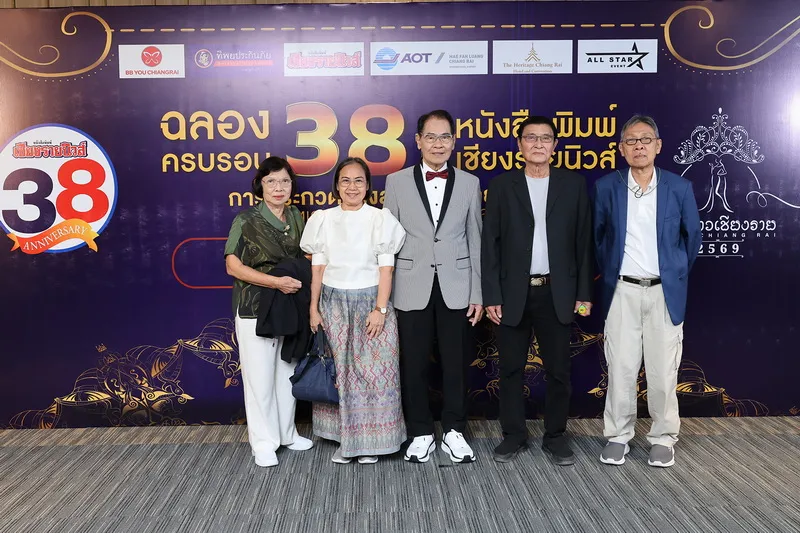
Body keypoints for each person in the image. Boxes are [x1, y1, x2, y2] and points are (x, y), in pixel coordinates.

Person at [482, 115, 593, 465]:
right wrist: (491, 295)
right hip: (512, 294)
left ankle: (555, 436)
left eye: (546, 138)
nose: (538, 144)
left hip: (557, 293)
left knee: (559, 371)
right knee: (510, 369)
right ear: (520, 145)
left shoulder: (574, 185)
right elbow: (490, 245)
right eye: (531, 137)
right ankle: (513, 435)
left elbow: (583, 243)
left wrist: (583, 293)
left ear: (555, 146)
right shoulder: (502, 186)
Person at [593, 114, 701, 468]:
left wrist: (673, 274)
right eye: (631, 140)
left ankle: (663, 437)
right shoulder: (606, 187)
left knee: (662, 371)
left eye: (645, 139)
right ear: (621, 149)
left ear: (658, 146)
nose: (638, 146)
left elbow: (692, 239)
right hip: (621, 291)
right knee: (620, 369)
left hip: (663, 293)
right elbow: (598, 238)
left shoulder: (679, 188)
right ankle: (618, 436)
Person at [384, 109, 484, 464]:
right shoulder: (396, 182)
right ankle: (421, 432)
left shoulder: (470, 183)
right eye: (431, 137)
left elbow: (476, 239)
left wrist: (478, 293)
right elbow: (388, 243)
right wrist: (385, 296)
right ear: (418, 141)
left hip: (457, 285)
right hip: (411, 284)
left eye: (445, 137)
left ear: (454, 141)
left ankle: (454, 430)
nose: (438, 144)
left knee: (456, 363)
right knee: (413, 364)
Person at [300, 157, 407, 464]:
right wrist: (313, 308)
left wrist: (380, 309)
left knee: (373, 373)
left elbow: (387, 270)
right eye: (345, 180)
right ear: (336, 185)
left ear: (368, 185)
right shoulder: (322, 219)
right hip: (333, 303)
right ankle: (346, 442)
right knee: (341, 374)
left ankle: (372, 444)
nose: (352, 187)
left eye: (358, 180)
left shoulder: (381, 219)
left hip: (370, 302)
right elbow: (317, 269)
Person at [224, 156, 314, 468]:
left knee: (287, 372)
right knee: (259, 379)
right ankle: (263, 443)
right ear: (260, 185)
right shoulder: (245, 219)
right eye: (271, 181)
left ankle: (287, 434)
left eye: (285, 181)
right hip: (255, 307)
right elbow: (232, 265)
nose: (279, 187)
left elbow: (305, 255)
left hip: (289, 305)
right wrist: (275, 282)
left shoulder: (296, 216)